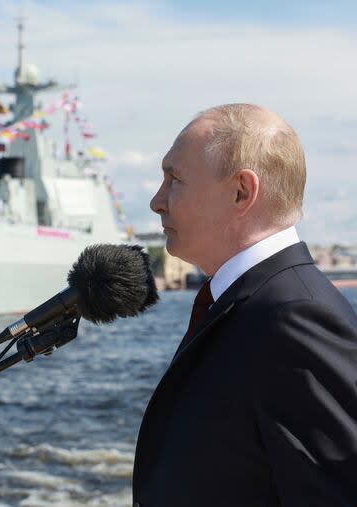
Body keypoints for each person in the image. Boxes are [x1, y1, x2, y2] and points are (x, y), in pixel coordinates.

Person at [133, 103, 357, 506]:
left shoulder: (296, 316)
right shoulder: (253, 302)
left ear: (241, 191)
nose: (156, 201)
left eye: (174, 179)